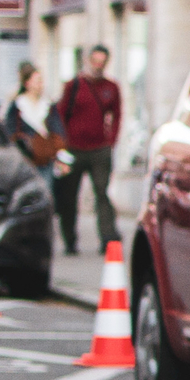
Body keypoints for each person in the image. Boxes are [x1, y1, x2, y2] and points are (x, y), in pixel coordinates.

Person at [52, 46, 123, 255]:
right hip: (73, 149)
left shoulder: (111, 87)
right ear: (89, 61)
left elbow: (117, 114)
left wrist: (112, 140)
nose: (98, 66)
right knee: (69, 196)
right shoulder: (73, 86)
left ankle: (108, 237)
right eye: (95, 62)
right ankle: (70, 240)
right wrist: (61, 145)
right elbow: (60, 114)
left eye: (102, 63)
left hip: (99, 149)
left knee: (102, 193)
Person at [3, 63, 60, 199]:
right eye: (37, 81)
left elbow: (57, 129)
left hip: (44, 157)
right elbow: (10, 130)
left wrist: (58, 151)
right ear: (27, 83)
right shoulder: (18, 106)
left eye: (41, 81)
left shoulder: (48, 105)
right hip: (26, 158)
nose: (40, 85)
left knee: (45, 194)